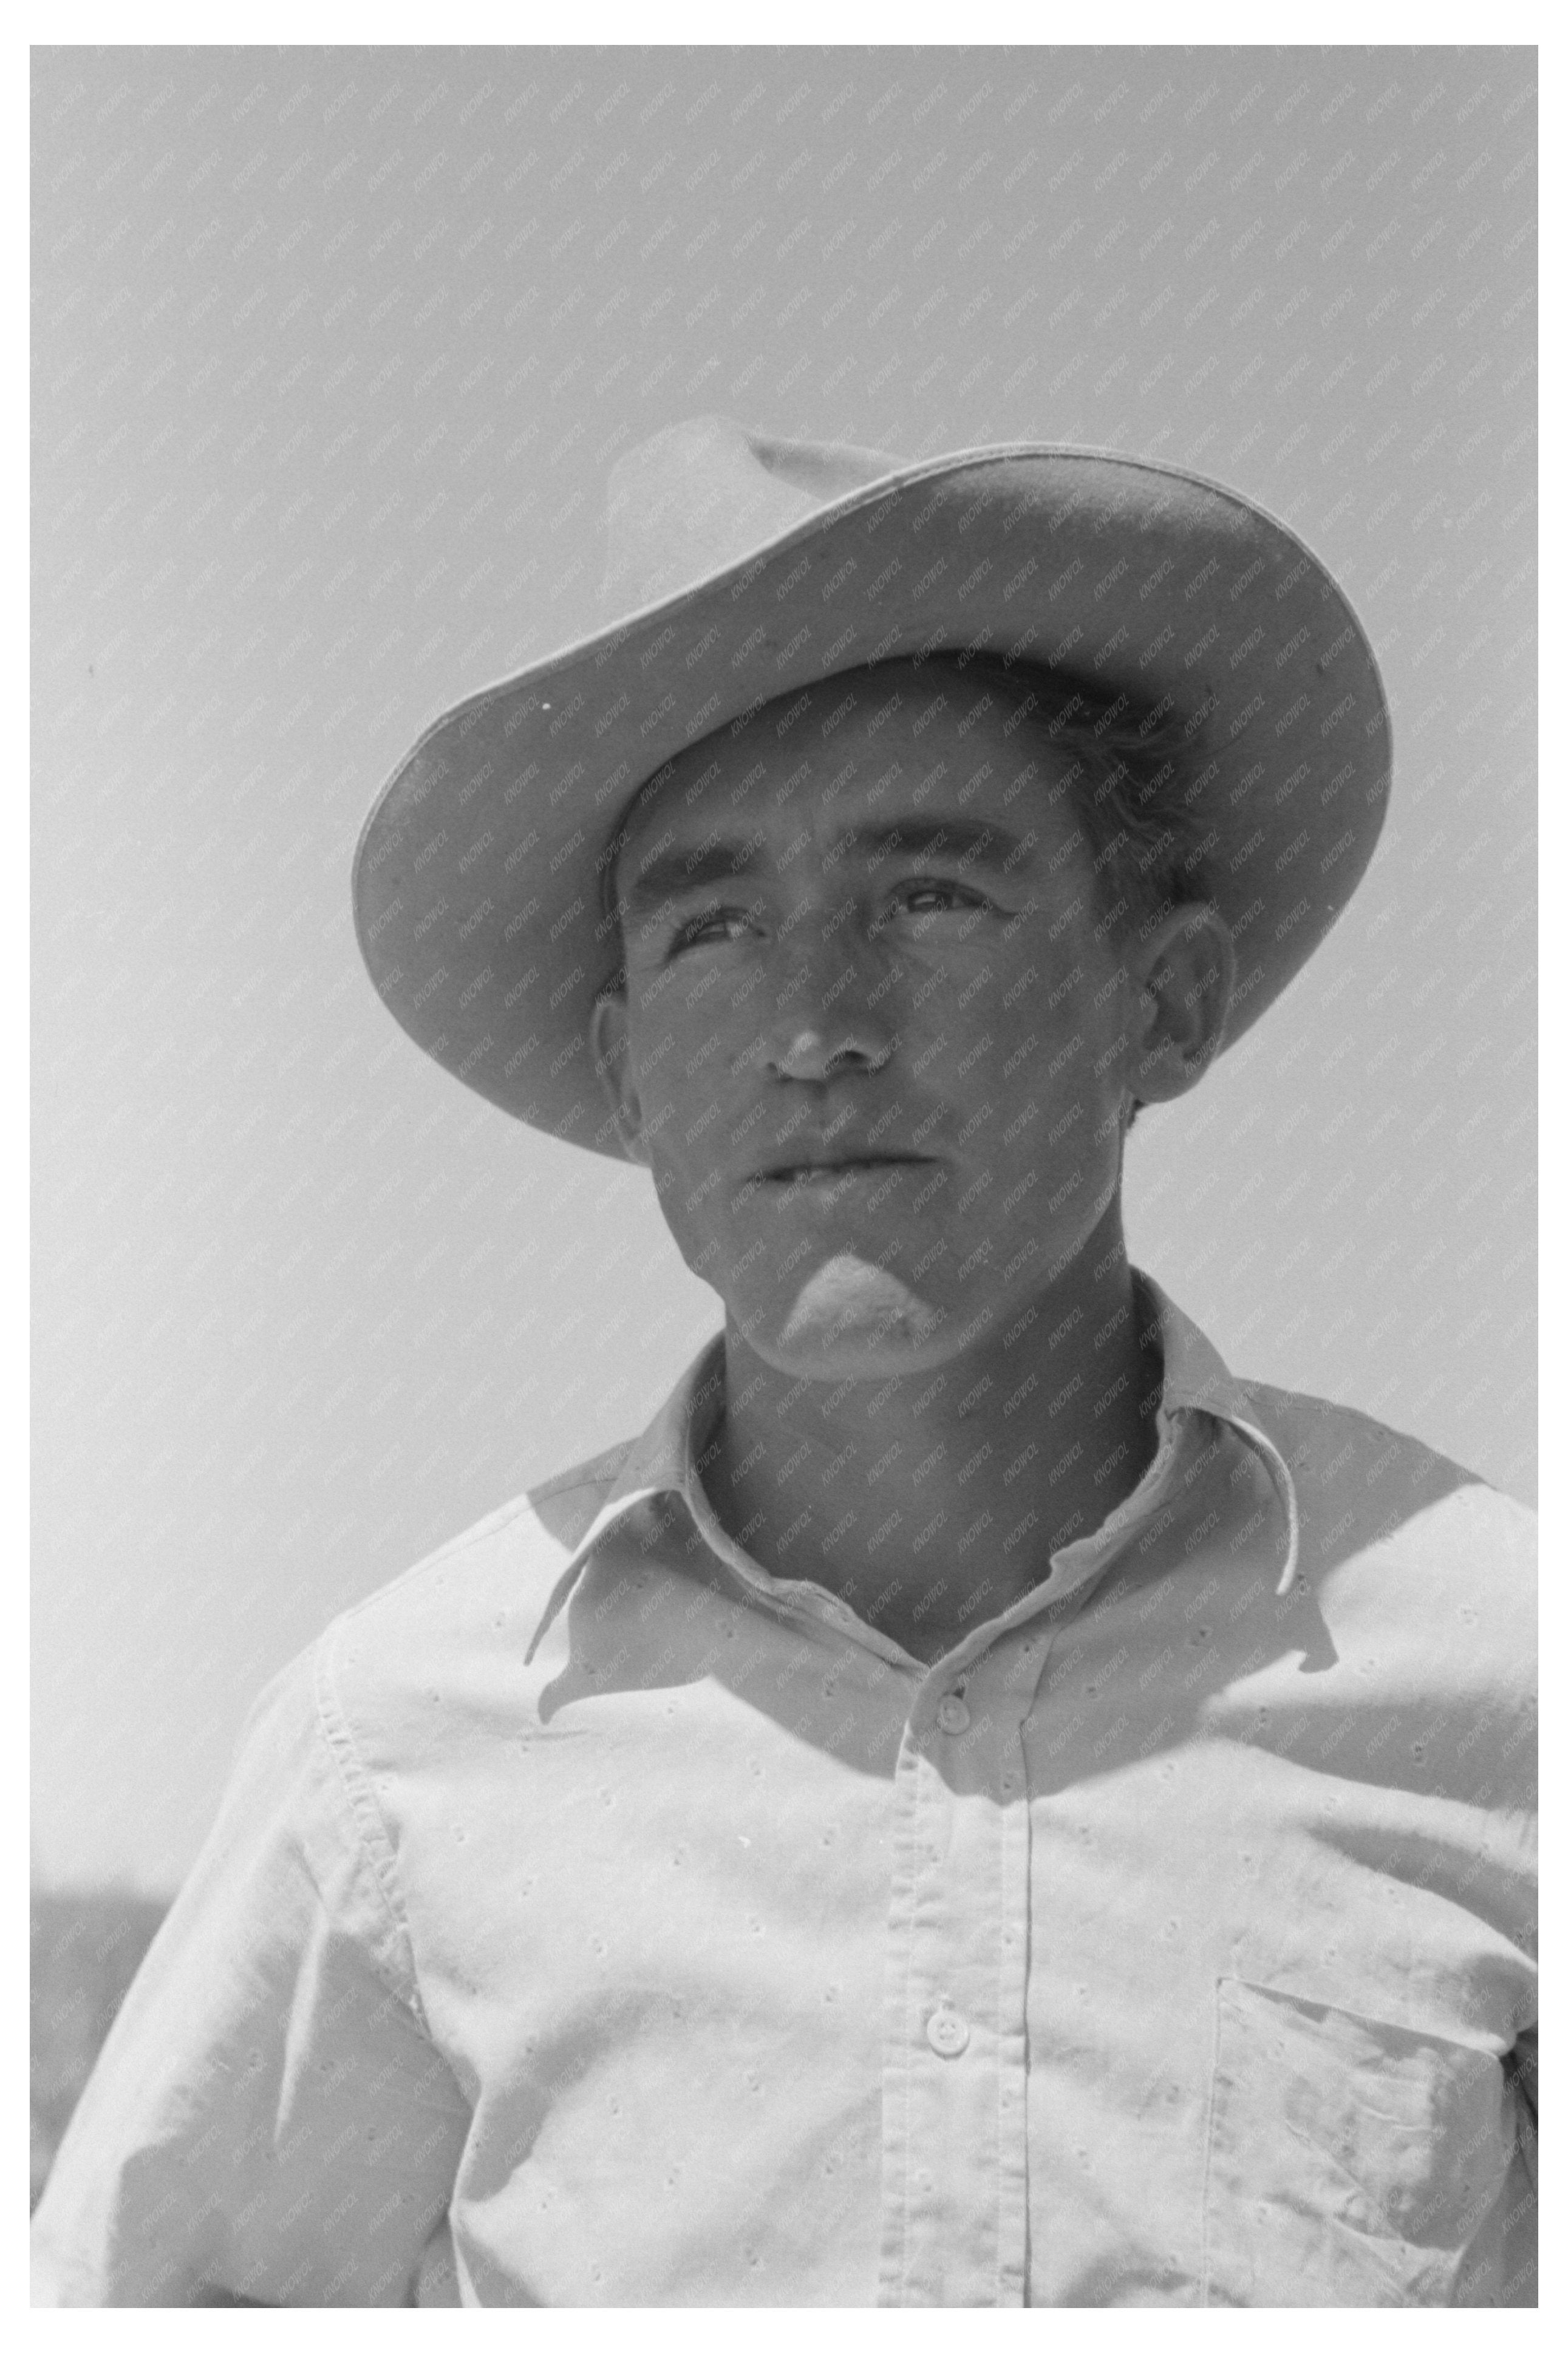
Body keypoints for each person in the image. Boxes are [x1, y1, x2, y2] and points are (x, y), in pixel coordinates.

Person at [32, 419, 1536, 2307]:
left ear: (1164, 999)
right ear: (629, 1064)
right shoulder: (394, 1748)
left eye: (931, 895)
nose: (819, 1024)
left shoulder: (1502, 1678)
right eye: (714, 928)